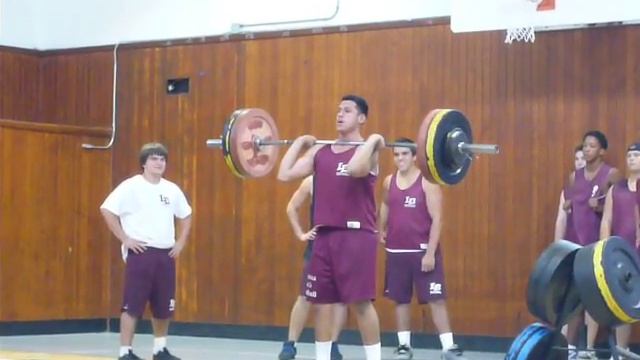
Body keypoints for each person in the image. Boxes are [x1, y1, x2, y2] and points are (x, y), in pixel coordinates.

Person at [277, 94, 383, 360]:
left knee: (360, 304)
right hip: (324, 236)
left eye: (347, 111)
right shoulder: (319, 152)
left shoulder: (368, 151)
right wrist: (299, 144)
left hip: (357, 236)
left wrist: (373, 140)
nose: (339, 115)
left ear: (361, 118)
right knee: (321, 303)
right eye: (338, 110)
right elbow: (284, 174)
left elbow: (355, 168)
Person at [100, 143, 192, 360]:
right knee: (133, 304)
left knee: (164, 305)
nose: (159, 163)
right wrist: (125, 238)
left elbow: (186, 215)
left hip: (165, 254)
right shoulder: (130, 187)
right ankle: (125, 352)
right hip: (141, 253)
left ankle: (160, 349)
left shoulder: (171, 189)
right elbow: (107, 210)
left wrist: (180, 242)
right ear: (144, 163)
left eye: (162, 159)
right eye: (154, 159)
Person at [378, 138, 466, 360]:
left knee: (436, 299)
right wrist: (381, 228)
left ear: (414, 156)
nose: (400, 159)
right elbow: (386, 204)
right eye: (396, 155)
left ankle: (449, 347)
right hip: (397, 251)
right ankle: (404, 346)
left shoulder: (428, 182)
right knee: (400, 300)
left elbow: (437, 219)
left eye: (404, 154)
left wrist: (430, 253)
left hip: (423, 252)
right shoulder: (389, 181)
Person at [563, 131, 622, 360]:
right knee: (575, 300)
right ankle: (570, 350)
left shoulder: (612, 175)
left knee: (598, 301)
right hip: (576, 246)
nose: (587, 149)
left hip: (598, 247)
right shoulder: (574, 176)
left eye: (592, 146)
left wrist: (601, 206)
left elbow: (619, 207)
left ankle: (592, 349)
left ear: (602, 151)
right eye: (585, 145)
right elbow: (571, 205)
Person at [278, 175, 347, 360]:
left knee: (340, 299)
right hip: (318, 247)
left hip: (344, 246)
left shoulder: (350, 179)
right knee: (305, 296)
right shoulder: (312, 181)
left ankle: (332, 344)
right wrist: (301, 234)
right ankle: (290, 344)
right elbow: (291, 207)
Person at [599, 142, 640, 357]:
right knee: (624, 305)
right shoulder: (617, 189)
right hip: (623, 256)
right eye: (629, 155)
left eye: (636, 155)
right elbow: (606, 220)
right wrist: (605, 251)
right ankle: (622, 352)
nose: (631, 159)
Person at [553, 145, 586, 241]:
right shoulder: (567, 191)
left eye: (583, 158)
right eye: (577, 159)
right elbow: (561, 220)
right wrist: (557, 247)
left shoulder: (597, 188)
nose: (579, 162)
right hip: (572, 243)